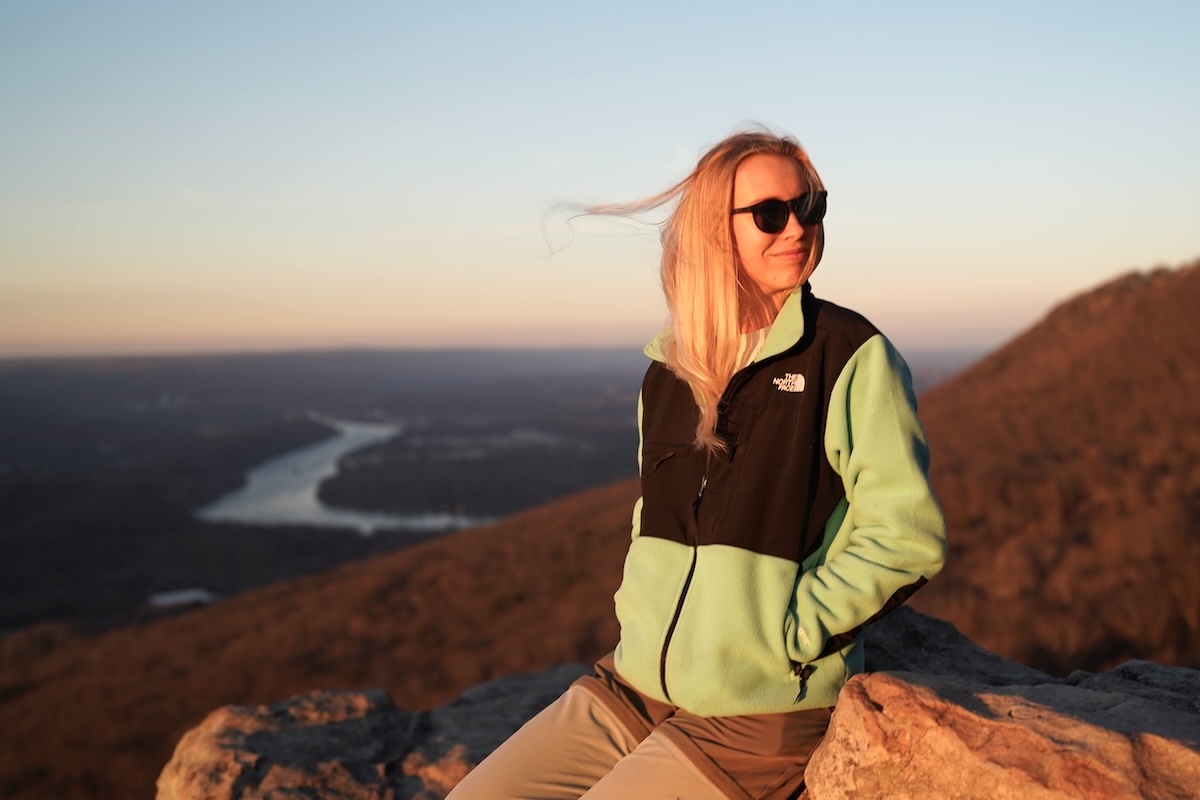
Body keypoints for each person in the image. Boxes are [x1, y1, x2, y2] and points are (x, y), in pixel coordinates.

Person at [446, 130, 947, 799]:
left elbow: (904, 537)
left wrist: (789, 633)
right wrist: (639, 609)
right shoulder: (670, 371)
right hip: (636, 684)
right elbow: (650, 514)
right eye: (771, 213)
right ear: (717, 230)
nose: (796, 227)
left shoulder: (850, 356)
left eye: (810, 206)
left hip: (756, 711)